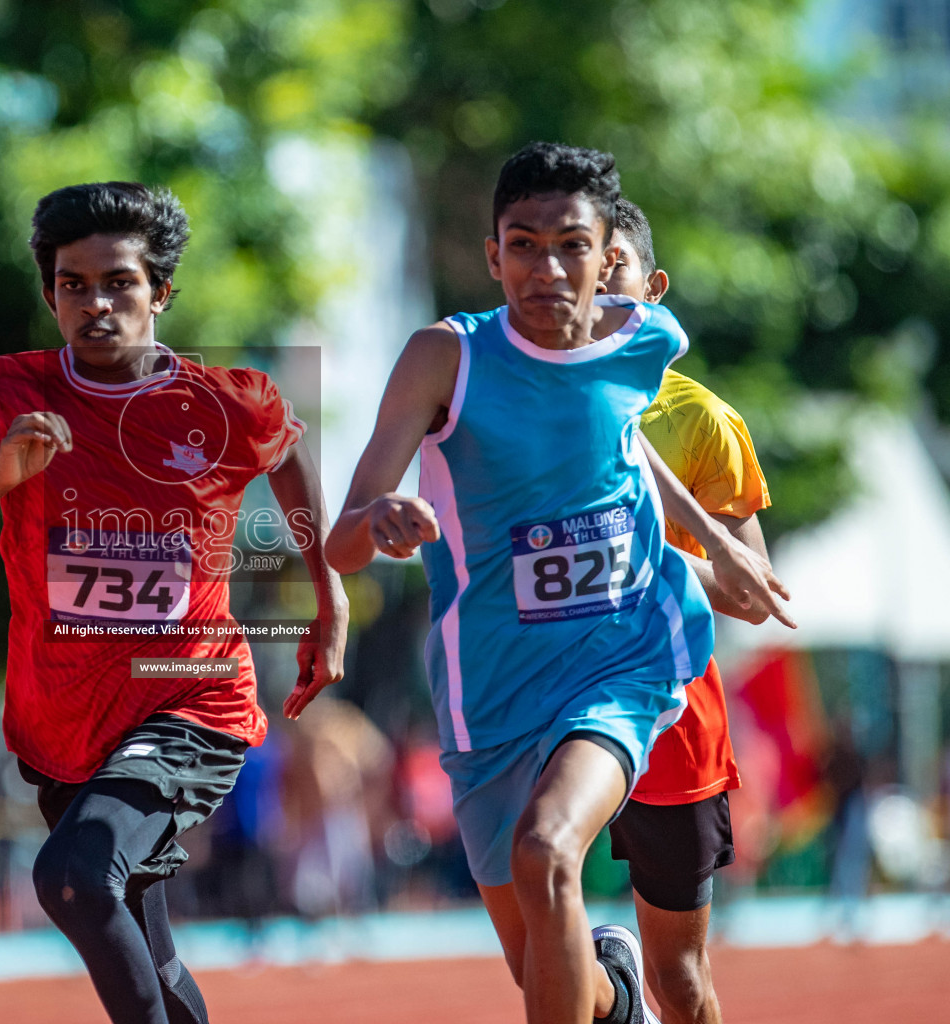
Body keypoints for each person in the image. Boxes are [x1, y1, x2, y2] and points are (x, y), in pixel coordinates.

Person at [325, 142, 792, 1024]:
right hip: (490, 690)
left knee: (550, 852)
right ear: (492, 253)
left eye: (571, 245)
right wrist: (378, 520)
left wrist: (711, 548)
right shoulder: (443, 359)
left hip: (623, 664)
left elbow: (620, 430)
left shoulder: (645, 343)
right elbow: (344, 542)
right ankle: (614, 996)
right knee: (545, 962)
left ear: (608, 256)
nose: (548, 268)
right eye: (524, 244)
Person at [0, 181, 349, 1024]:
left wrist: (330, 600)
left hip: (192, 696)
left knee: (74, 874)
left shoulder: (228, 404)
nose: (95, 304)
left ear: (161, 293)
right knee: (142, 936)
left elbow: (288, 454)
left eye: (120, 283)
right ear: (49, 294)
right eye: (73, 285)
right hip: (64, 718)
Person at [598, 198, 773, 1024]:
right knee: (537, 911)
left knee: (680, 981)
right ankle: (612, 993)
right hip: (542, 695)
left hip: (672, 712)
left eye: (613, 262)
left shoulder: (701, 420)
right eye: (569, 257)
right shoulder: (504, 394)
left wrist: (643, 568)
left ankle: (634, 993)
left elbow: (753, 594)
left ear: (652, 283)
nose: (590, 277)